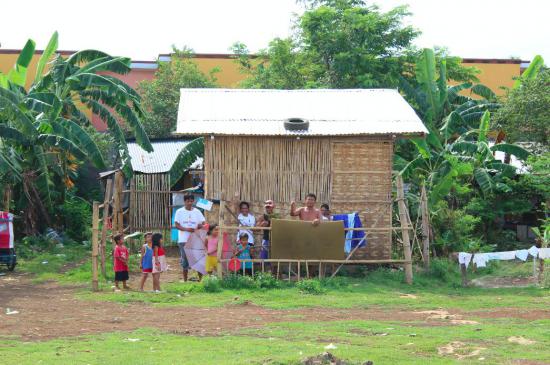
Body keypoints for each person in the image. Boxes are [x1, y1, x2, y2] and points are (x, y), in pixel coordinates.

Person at [174, 194, 206, 282]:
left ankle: (200, 280)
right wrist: (186, 229)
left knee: (198, 259)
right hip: (183, 240)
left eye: (191, 201)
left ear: (193, 201)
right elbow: (176, 225)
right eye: (188, 201)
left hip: (196, 239)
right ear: (184, 201)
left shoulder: (197, 211)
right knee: (185, 260)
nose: (190, 203)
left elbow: (203, 223)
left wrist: (198, 227)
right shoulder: (179, 211)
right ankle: (185, 280)